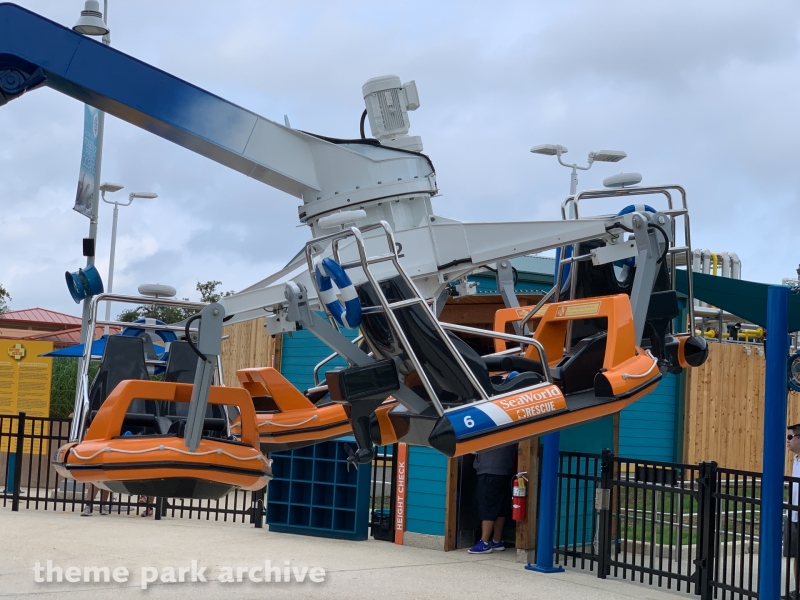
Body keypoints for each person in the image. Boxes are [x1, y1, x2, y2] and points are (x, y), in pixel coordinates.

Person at [468, 444, 517, 554]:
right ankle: (496, 540)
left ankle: (484, 542)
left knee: (487, 506)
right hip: (505, 468)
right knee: (501, 507)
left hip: (489, 469)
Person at [786, 424, 800, 597]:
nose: (787, 441)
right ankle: (798, 590)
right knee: (797, 554)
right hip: (793, 514)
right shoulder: (796, 460)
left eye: (790, 437)